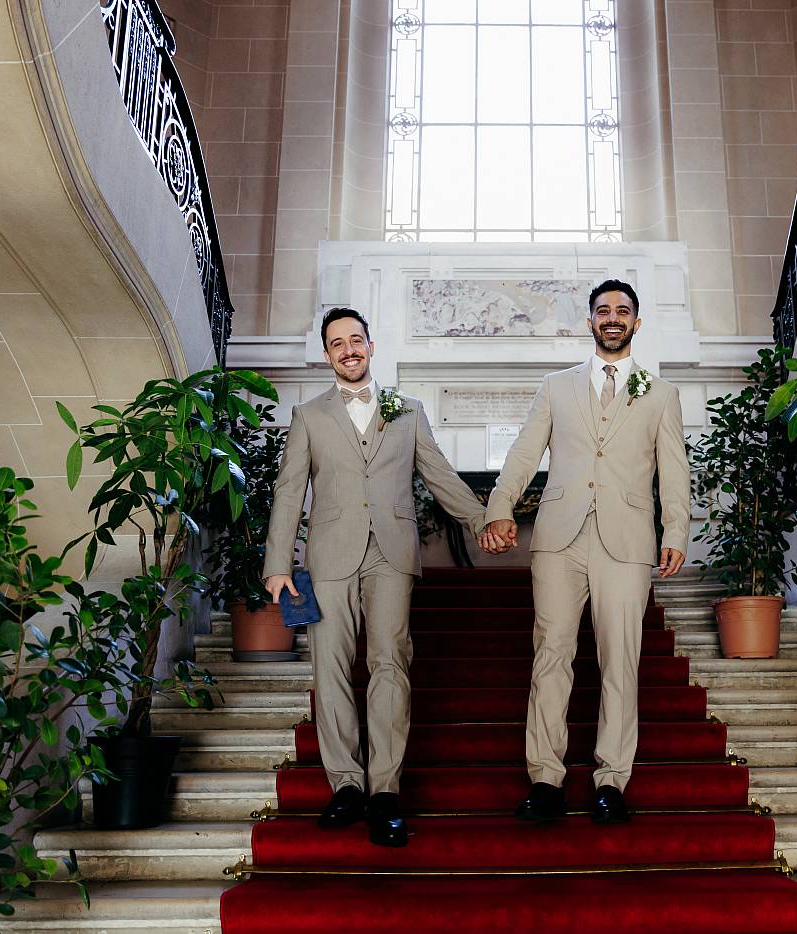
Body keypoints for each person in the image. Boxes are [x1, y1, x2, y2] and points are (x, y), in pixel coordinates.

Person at [262, 307, 505, 848]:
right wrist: (278, 563)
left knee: (390, 663)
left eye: (356, 340)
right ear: (327, 355)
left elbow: (439, 474)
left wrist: (482, 520)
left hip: (391, 554)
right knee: (330, 667)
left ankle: (385, 792)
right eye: (336, 343)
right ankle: (345, 784)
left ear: (371, 346)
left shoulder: (408, 410)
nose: (348, 349)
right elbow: (288, 491)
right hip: (328, 557)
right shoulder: (309, 416)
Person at [481, 279, 690, 825]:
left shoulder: (661, 394)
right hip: (559, 538)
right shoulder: (556, 387)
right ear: (590, 321)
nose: (613, 318)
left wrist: (676, 532)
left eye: (623, 311)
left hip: (627, 541)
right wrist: (500, 506)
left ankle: (611, 781)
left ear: (636, 323)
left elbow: (674, 472)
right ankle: (545, 779)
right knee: (551, 654)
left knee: (620, 660)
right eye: (603, 311)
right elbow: (525, 453)